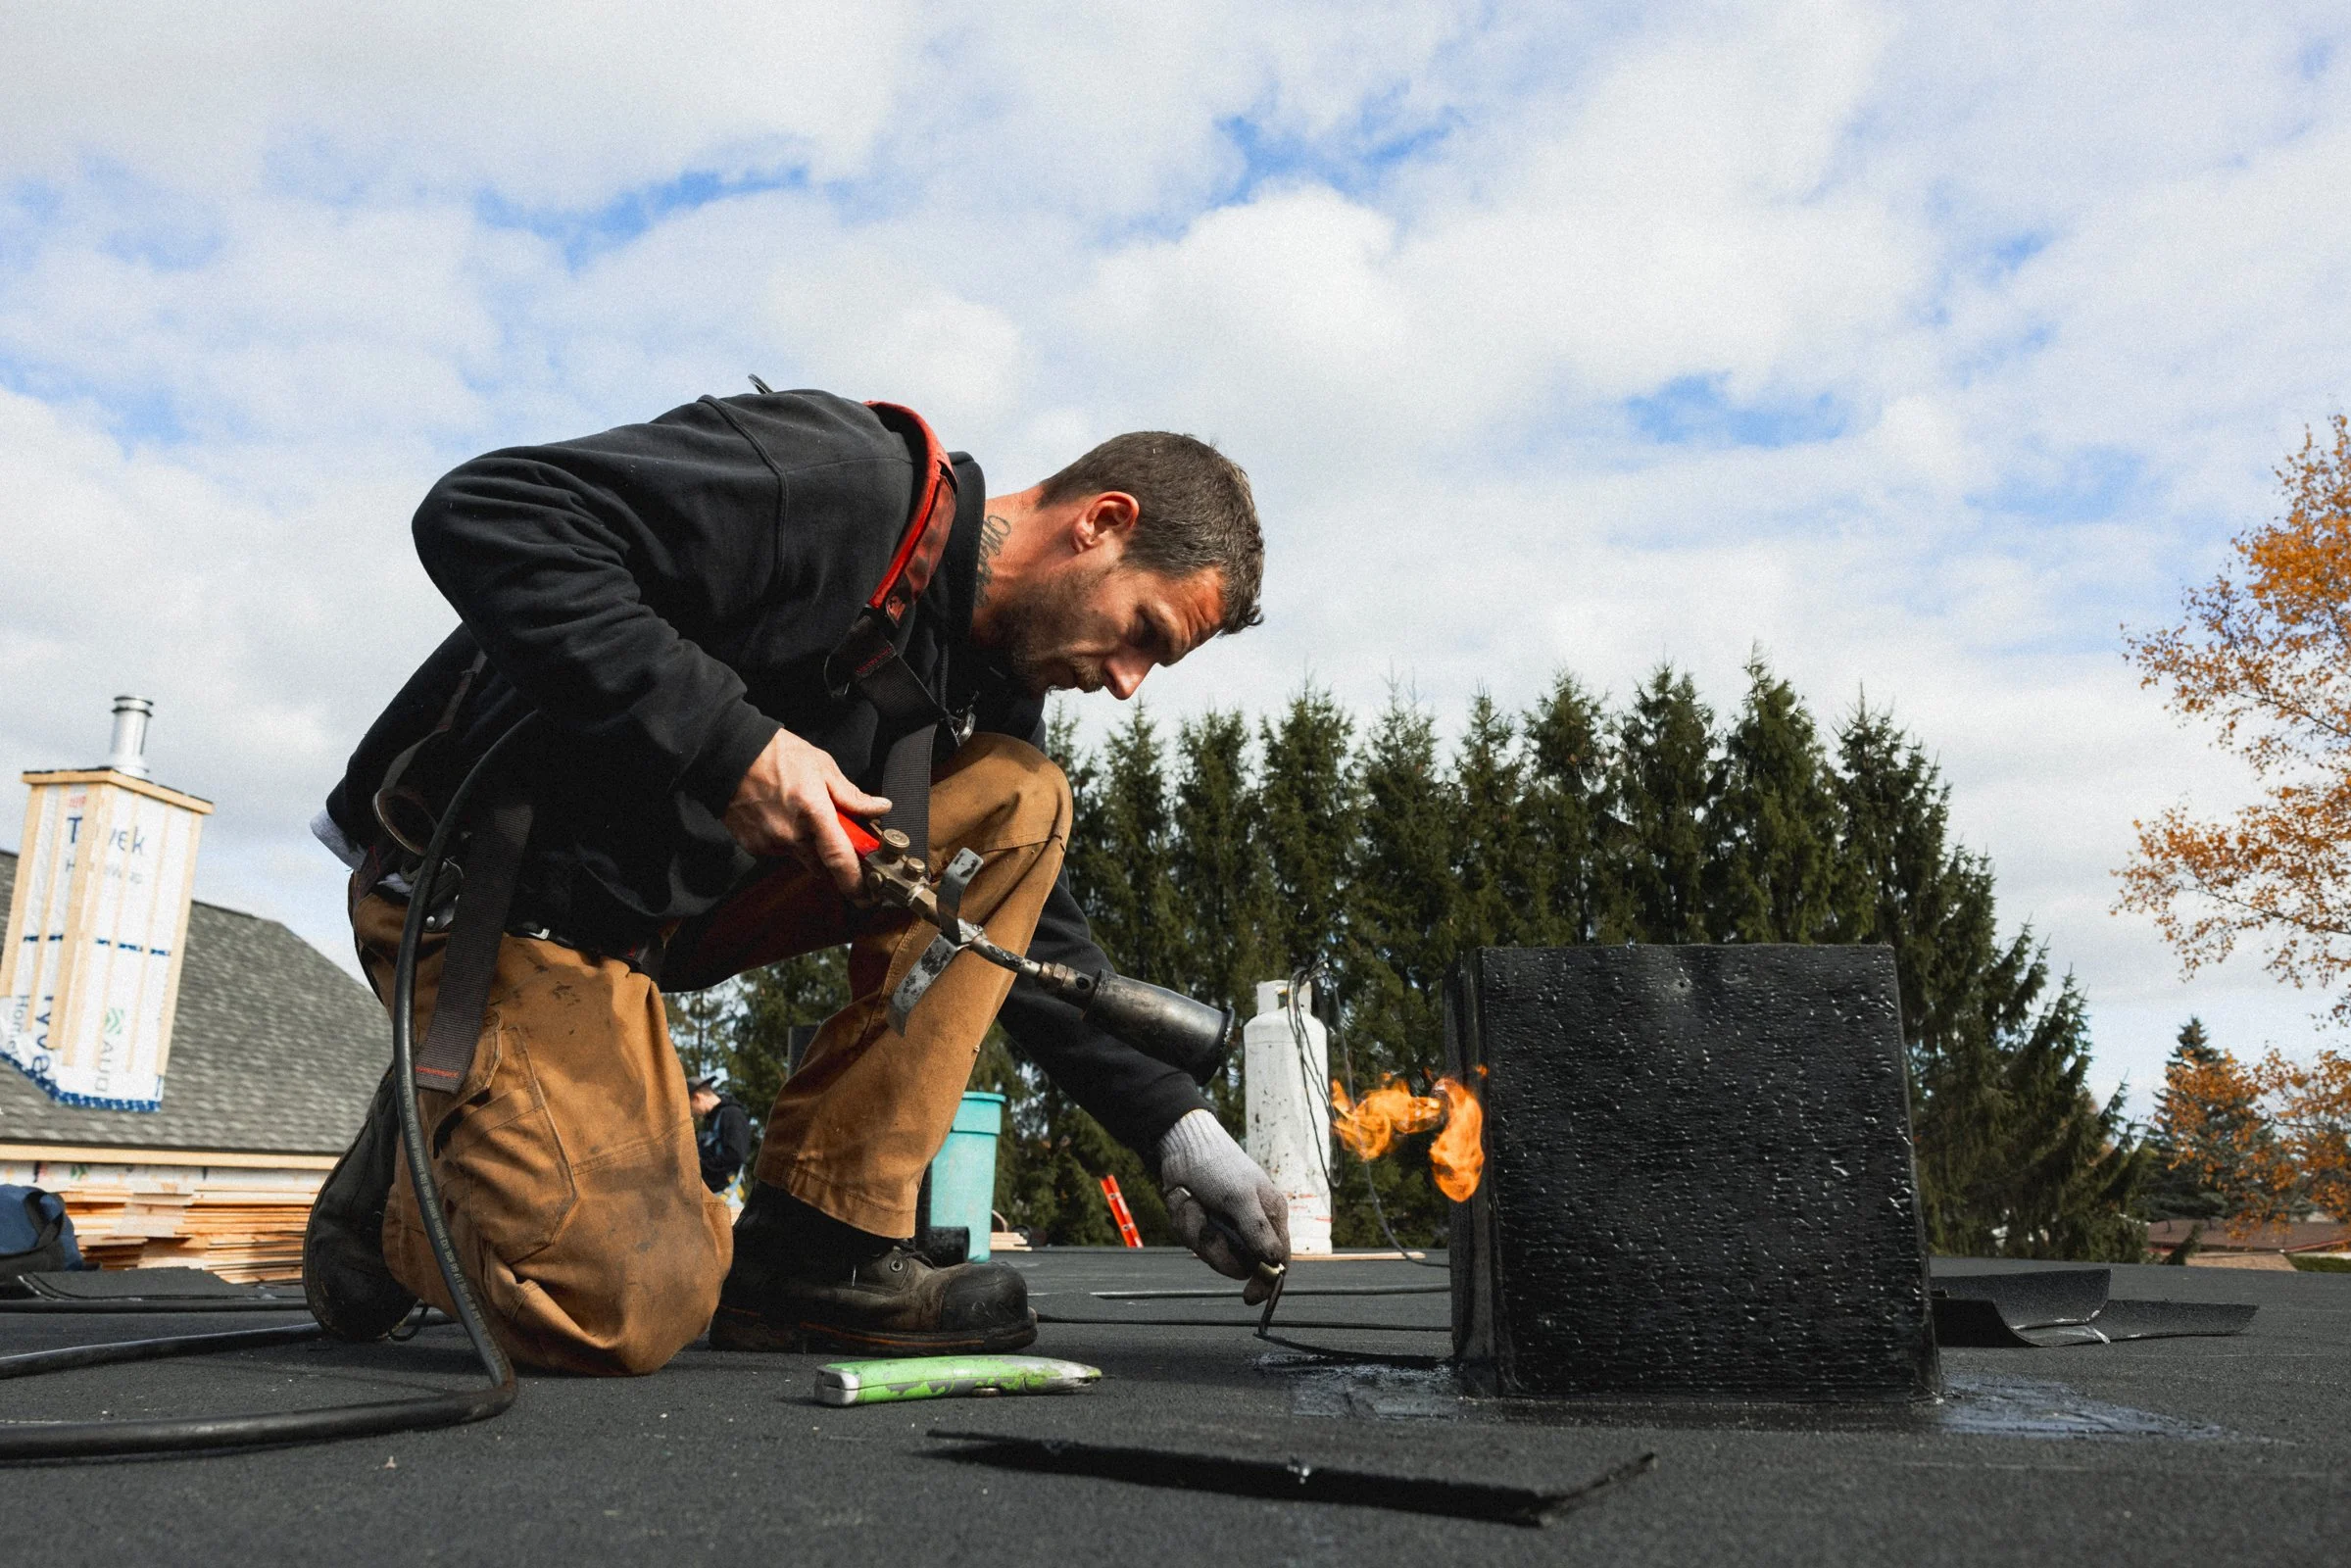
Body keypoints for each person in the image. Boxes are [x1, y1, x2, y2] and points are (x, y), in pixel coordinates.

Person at [302, 387, 1290, 1375]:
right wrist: (734, 747)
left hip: (656, 924)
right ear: (1101, 523)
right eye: (1145, 633)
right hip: (489, 897)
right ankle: (407, 1177)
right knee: (622, 1306)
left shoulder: (986, 681)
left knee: (1021, 799)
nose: (1127, 682)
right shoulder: (835, 481)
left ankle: (816, 1247)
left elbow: (1011, 931)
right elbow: (487, 512)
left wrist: (1176, 1129)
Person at [689, 1078, 753, 1195]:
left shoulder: (732, 1115)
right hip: (711, 1195)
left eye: (691, 1108)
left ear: (697, 1098)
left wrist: (695, 1169)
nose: (692, 1113)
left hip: (729, 1198)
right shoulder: (709, 1122)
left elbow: (735, 1156)